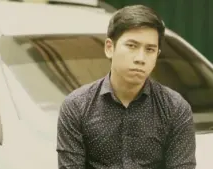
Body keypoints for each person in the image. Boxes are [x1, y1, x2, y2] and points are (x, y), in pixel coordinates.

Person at [56, 4, 196, 169]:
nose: (140, 58)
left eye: (150, 49)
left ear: (157, 55)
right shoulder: (77, 107)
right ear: (109, 48)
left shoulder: (175, 109)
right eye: (132, 46)